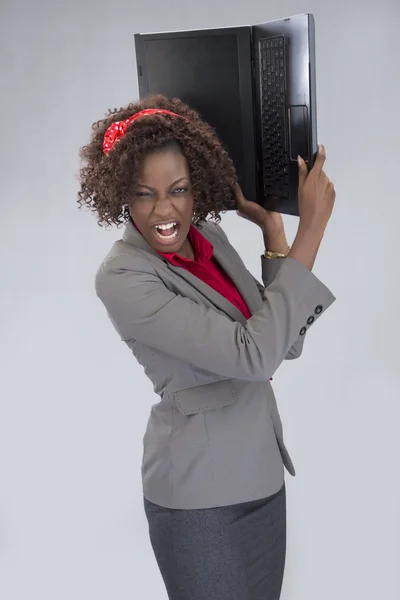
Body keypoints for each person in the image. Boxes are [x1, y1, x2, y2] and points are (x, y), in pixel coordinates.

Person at [78, 95, 336, 600]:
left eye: (178, 190)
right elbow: (253, 354)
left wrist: (275, 231)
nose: (165, 210)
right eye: (144, 194)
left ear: (198, 184)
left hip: (262, 480)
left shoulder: (211, 237)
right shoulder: (122, 275)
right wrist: (314, 228)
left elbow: (283, 343)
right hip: (199, 501)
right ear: (120, 197)